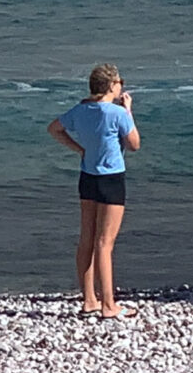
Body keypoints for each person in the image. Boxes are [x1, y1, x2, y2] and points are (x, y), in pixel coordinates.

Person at [48, 63, 140, 319]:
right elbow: (134, 144)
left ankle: (89, 299)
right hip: (111, 179)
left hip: (88, 176)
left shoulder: (81, 109)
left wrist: (79, 149)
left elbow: (54, 128)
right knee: (105, 243)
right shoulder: (117, 113)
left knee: (87, 237)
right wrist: (128, 112)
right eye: (119, 81)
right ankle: (109, 304)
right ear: (112, 86)